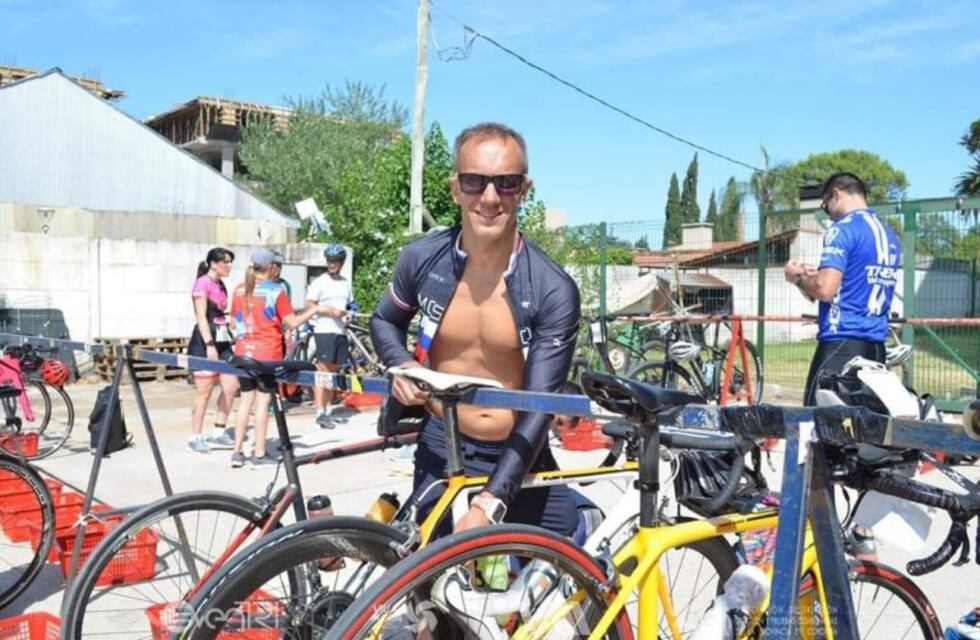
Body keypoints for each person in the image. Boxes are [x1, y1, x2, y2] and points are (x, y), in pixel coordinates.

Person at [371, 122, 583, 538]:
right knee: (429, 581)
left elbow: (539, 407)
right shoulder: (420, 259)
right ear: (455, 187)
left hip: (519, 453)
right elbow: (385, 321)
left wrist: (490, 501)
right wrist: (399, 365)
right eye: (474, 182)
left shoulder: (552, 288)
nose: (489, 198)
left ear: (524, 189)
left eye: (506, 183)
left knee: (571, 562)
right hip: (440, 442)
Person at [784, 172, 901, 407]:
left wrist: (796, 277)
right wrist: (814, 278)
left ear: (835, 194)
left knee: (815, 428)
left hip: (842, 344)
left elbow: (825, 290)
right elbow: (853, 283)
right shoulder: (889, 235)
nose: (828, 214)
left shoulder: (842, 230)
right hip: (876, 348)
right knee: (866, 433)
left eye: (825, 207)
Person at [229, 248, 328, 469]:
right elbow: (292, 323)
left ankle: (237, 451)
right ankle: (259, 453)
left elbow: (234, 323)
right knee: (263, 402)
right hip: (267, 354)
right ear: (272, 267)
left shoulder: (238, 290)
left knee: (245, 400)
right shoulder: (276, 291)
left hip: (242, 351)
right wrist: (314, 311)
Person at [187, 247, 239, 454]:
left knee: (231, 385)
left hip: (223, 339)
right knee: (204, 390)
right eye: (225, 262)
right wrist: (209, 344)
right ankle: (195, 436)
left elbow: (219, 312)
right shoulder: (203, 283)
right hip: (204, 341)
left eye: (229, 262)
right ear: (213, 264)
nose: (228, 266)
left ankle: (219, 430)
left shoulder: (221, 285)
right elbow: (201, 316)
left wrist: (229, 321)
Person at [304, 244, 353, 428]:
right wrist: (326, 311)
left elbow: (349, 304)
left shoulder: (345, 283)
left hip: (340, 330)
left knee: (333, 371)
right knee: (322, 371)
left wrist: (348, 314)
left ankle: (328, 409)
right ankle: (319, 412)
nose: (331, 264)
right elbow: (309, 306)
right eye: (329, 261)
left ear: (341, 263)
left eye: (335, 261)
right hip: (324, 330)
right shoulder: (319, 282)